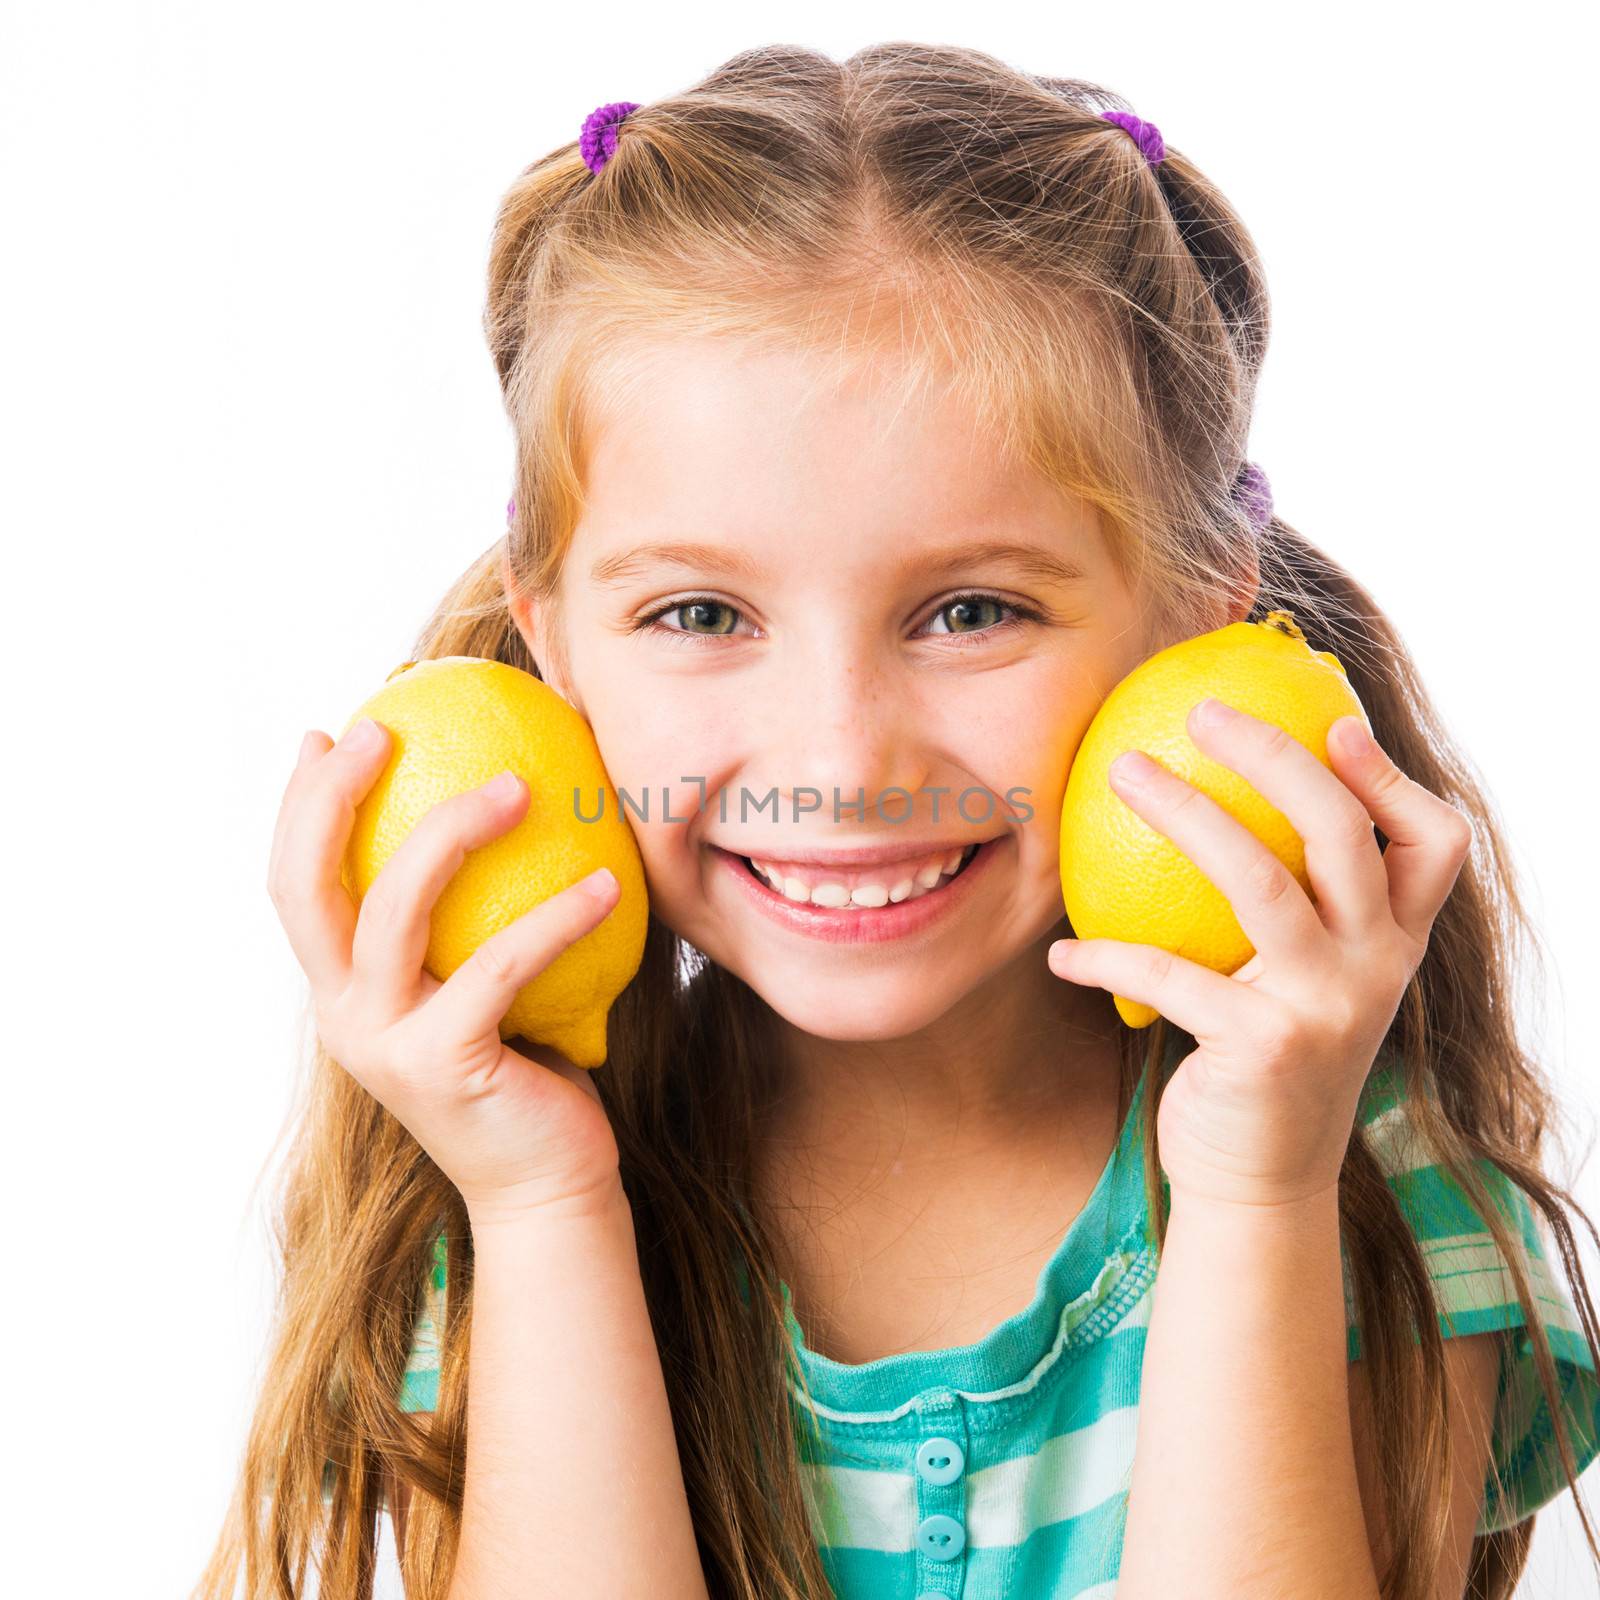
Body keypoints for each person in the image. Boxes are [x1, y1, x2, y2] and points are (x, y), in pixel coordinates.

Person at [195, 42, 1600, 1600]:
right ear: (551, 642)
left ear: (1197, 628)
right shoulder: (506, 1195)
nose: (844, 758)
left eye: (972, 609)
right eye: (701, 612)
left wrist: (1259, 1188)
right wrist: (544, 1204)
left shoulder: (1357, 1187)